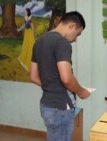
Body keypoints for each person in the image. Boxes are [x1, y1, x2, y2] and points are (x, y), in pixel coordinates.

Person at [30, 11, 90, 141]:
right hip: (61, 107)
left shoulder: (39, 42)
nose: (75, 39)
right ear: (72, 26)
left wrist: (51, 85)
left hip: (46, 105)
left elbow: (33, 77)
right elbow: (66, 78)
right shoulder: (62, 43)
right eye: (78, 34)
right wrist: (81, 91)